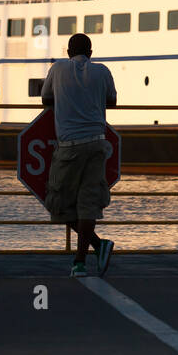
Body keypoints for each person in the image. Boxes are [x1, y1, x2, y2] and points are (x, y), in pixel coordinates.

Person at [40, 33, 118, 276]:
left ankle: (97, 245)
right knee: (88, 205)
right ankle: (80, 263)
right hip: (97, 143)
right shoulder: (102, 71)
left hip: (69, 146)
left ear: (68, 52)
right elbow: (112, 102)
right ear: (91, 53)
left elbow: (45, 99)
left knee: (57, 204)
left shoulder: (58, 68)